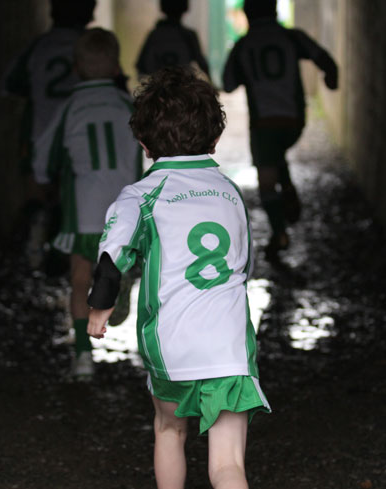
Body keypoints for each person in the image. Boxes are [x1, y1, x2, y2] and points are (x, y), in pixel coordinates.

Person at [87, 66, 271, 489]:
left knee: (169, 431)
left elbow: (112, 260)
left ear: (143, 141)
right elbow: (246, 265)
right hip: (228, 348)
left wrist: (99, 306)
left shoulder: (140, 196)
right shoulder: (230, 192)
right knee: (229, 465)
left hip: (173, 346)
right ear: (216, 137)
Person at [33, 28, 142, 378]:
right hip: (127, 208)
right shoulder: (127, 105)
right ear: (115, 68)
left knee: (79, 278)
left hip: (85, 210)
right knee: (130, 257)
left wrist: (43, 179)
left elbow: (44, 155)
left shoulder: (70, 108)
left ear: (77, 68)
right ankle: (122, 278)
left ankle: (82, 355)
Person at [223, 0, 338, 260]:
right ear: (275, 10)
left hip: (264, 124)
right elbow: (325, 60)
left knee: (265, 182)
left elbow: (228, 83)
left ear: (248, 15)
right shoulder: (291, 37)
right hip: (294, 120)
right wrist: (332, 79)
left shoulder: (243, 45)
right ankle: (287, 189)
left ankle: (279, 233)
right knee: (277, 154)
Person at [3, 0, 97, 271]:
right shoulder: (88, 44)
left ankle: (35, 237)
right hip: (78, 134)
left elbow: (10, 83)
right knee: (72, 190)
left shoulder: (39, 46)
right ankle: (67, 251)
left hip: (39, 130)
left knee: (37, 184)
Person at [136, 0, 210, 78]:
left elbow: (141, 65)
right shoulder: (188, 35)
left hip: (159, 86)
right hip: (183, 85)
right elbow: (202, 63)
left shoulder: (155, 35)